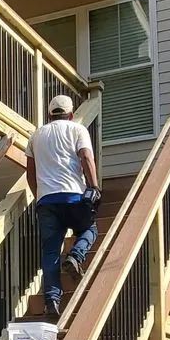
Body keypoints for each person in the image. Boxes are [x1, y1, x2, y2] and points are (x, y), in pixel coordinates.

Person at [27, 94, 100, 320]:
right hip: (73, 197)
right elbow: (86, 157)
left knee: (50, 252)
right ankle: (76, 256)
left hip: (46, 201)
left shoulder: (36, 136)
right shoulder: (77, 130)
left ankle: (51, 301)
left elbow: (30, 173)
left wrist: (39, 195)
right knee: (89, 229)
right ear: (70, 114)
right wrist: (94, 186)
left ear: (49, 115)